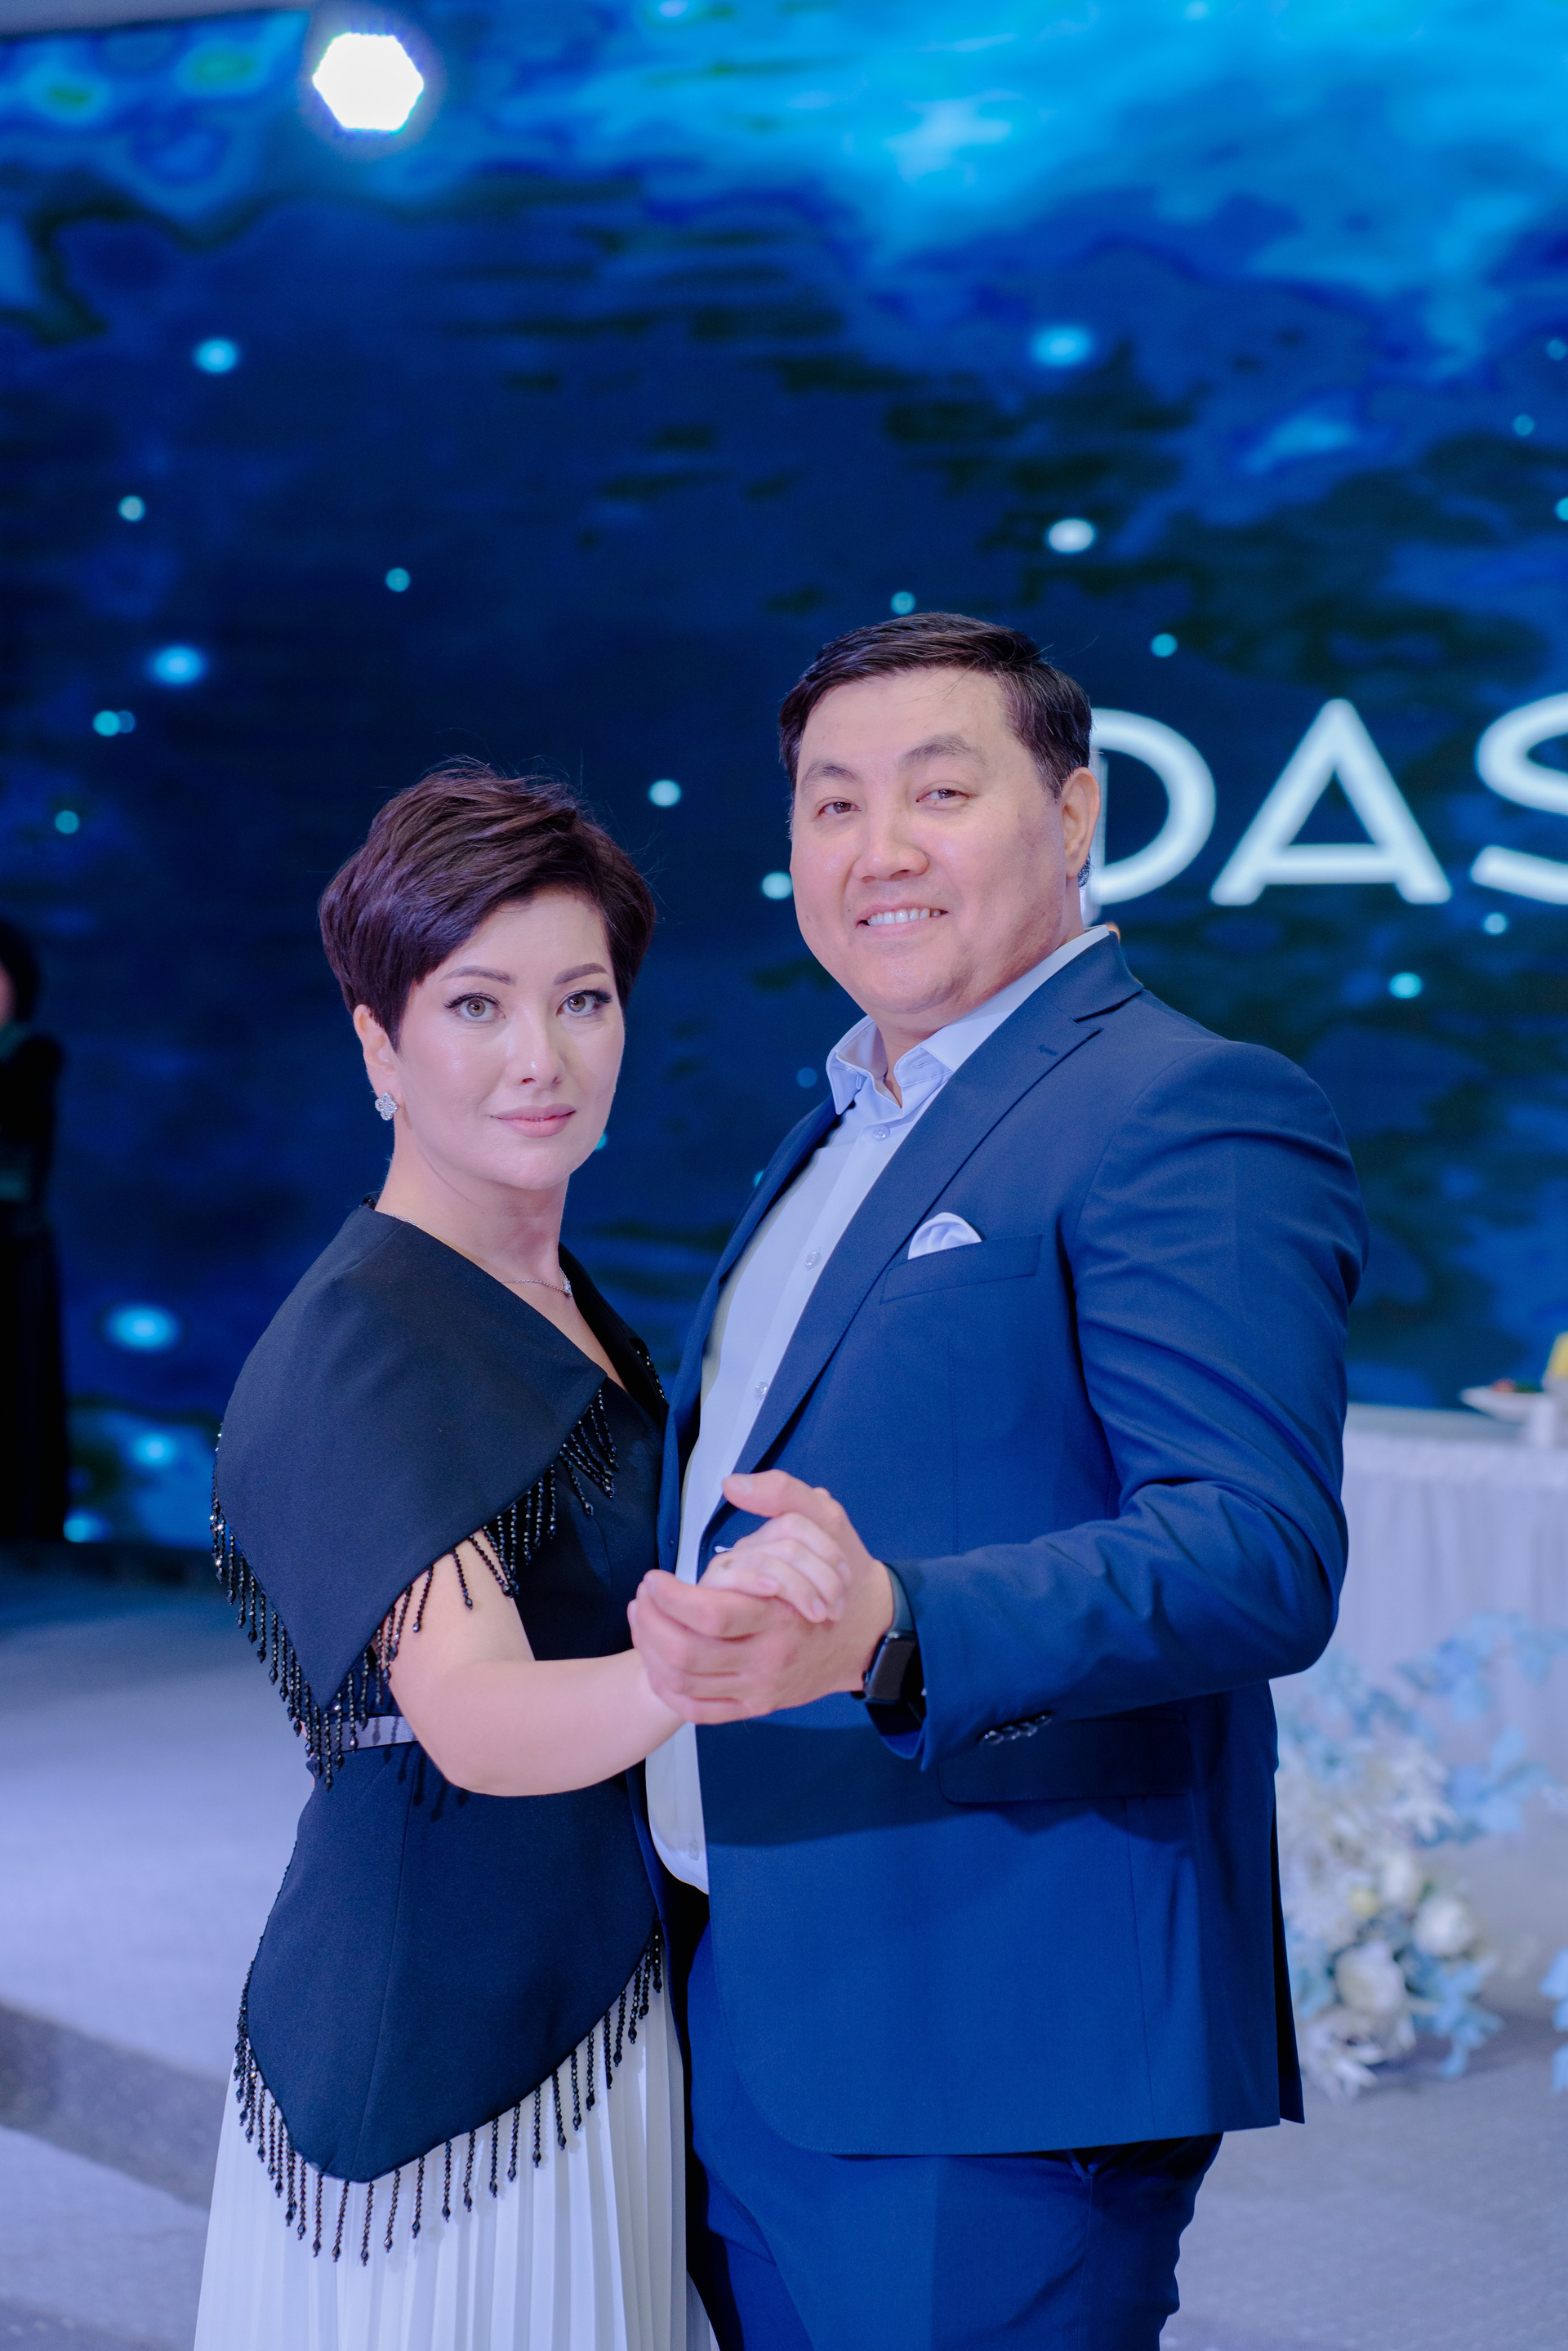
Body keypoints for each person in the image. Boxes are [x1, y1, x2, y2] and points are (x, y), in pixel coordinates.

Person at [630, 614, 1369, 2351]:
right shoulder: (833, 1124)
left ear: (1078, 810)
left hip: (995, 2022)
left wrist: (899, 1622)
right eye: (832, 803)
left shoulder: (1189, 1103)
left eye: (939, 791)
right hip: (759, 1979)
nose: (877, 847)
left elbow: (1256, 1547)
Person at [196, 766, 814, 2350]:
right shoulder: (371, 1335)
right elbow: (475, 1716)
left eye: (582, 998)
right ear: (378, 1044)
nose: (543, 1055)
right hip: (440, 2067)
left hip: (588, 1988)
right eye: (476, 1003)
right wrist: (707, 1652)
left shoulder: (550, 1288)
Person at [0, 916, 68, 1543]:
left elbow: (26, 1144)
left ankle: (24, 1525)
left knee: (18, 1391)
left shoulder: (31, 1057)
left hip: (13, 1245)